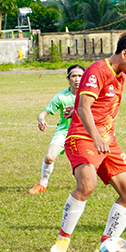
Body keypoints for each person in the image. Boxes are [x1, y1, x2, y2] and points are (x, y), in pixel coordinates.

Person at [50, 29, 126, 252]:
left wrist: (103, 138)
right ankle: (63, 239)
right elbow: (84, 106)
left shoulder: (120, 75)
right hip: (83, 136)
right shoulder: (98, 70)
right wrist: (95, 137)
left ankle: (106, 245)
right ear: (125, 53)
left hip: (107, 140)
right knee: (87, 184)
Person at [29, 64, 85, 195]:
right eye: (74, 76)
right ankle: (43, 183)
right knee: (49, 157)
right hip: (65, 131)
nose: (77, 79)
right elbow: (43, 113)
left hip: (84, 132)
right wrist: (42, 120)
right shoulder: (61, 97)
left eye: (80, 76)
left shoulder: (89, 94)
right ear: (68, 78)